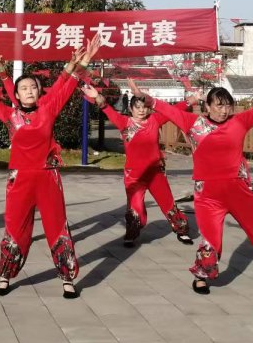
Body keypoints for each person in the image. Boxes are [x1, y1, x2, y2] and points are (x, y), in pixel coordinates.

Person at [0, 36, 102, 299]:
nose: (29, 90)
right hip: (20, 179)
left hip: (48, 177)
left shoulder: (49, 109)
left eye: (33, 87)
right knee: (15, 227)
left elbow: (70, 83)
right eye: (23, 88)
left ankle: (67, 278)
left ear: (39, 91)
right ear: (16, 94)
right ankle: (5, 274)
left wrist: (86, 60)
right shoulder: (9, 114)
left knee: (57, 226)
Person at [139, 75, 253, 296]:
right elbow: (167, 110)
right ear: (207, 106)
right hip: (207, 195)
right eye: (219, 106)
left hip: (239, 191)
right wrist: (146, 99)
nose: (224, 110)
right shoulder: (194, 124)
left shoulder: (239, 122)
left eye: (228, 105)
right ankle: (202, 275)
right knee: (210, 239)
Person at [81, 78, 196, 247]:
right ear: (131, 109)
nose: (141, 110)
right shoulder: (124, 123)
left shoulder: (155, 120)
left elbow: (173, 111)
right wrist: (96, 96)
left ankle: (181, 230)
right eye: (137, 107)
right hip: (134, 175)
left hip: (155, 172)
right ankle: (132, 233)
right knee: (135, 210)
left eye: (144, 107)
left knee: (168, 204)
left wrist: (192, 100)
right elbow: (106, 108)